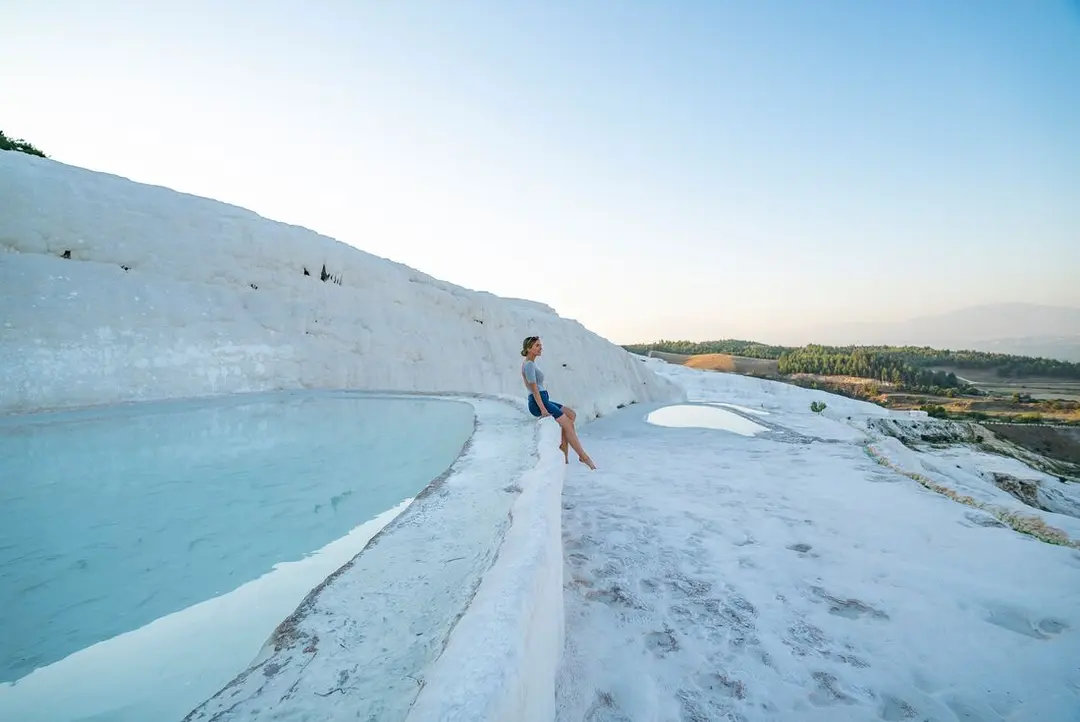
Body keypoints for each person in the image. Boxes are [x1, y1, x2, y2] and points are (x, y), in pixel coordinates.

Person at [520, 335, 596, 470]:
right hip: (538, 402)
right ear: (529, 348)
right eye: (537, 345)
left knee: (571, 414)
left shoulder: (530, 363)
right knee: (567, 424)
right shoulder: (529, 365)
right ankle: (583, 457)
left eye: (540, 345)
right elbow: (534, 389)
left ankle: (564, 451)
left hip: (542, 399)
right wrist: (543, 409)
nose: (540, 347)